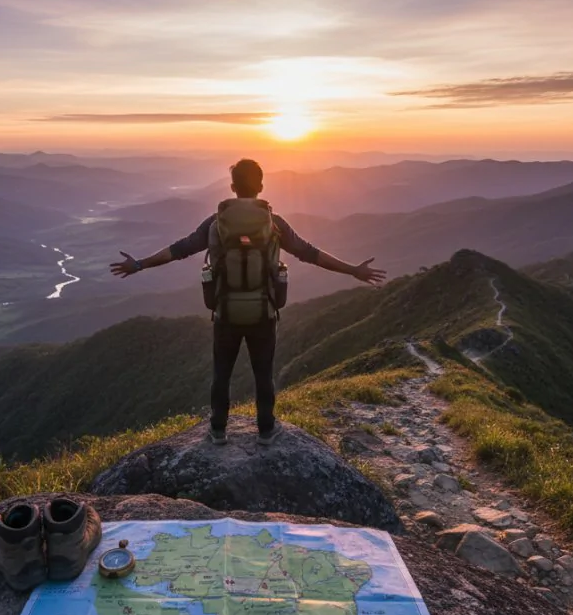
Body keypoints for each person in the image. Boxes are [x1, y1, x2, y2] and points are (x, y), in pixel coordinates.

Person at [109, 159, 386, 444]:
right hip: (263, 311)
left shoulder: (216, 223)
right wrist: (353, 269)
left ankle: (218, 430)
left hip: (225, 312)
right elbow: (310, 253)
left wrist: (140, 264)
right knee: (263, 372)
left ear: (232, 187)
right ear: (261, 186)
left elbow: (179, 250)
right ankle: (266, 430)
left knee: (222, 373)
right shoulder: (273, 223)